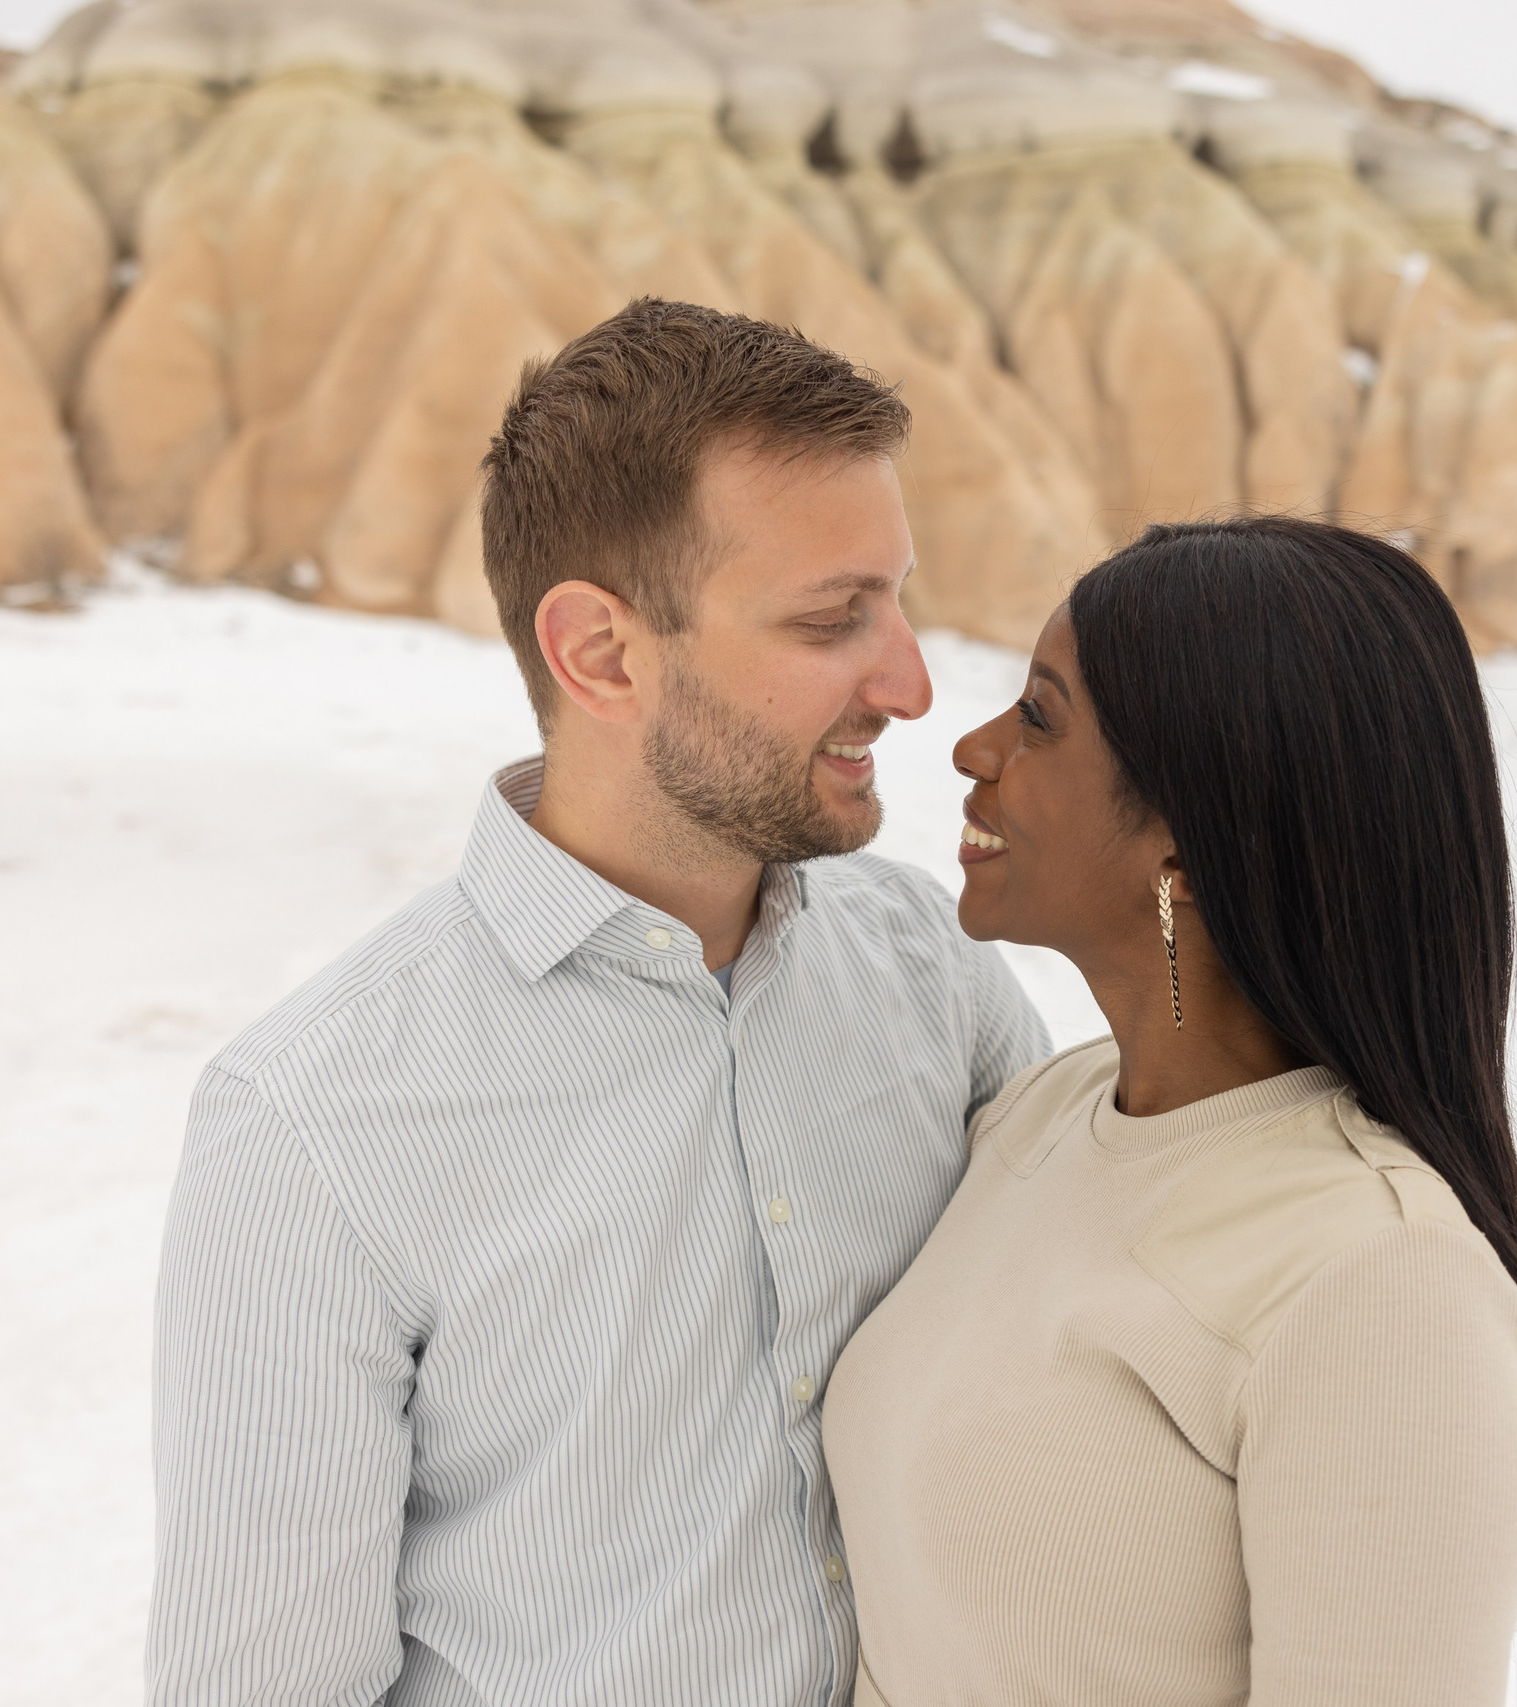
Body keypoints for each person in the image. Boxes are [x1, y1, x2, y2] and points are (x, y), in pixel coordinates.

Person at [147, 299, 1048, 1706]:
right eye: (834, 617)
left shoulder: (932, 970)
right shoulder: (313, 1122)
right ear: (603, 654)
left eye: (898, 596)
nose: (913, 681)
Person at [825, 516, 1517, 1705]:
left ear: (1188, 828)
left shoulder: (1381, 1285)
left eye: (1038, 716)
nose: (973, 748)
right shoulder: (1038, 1118)